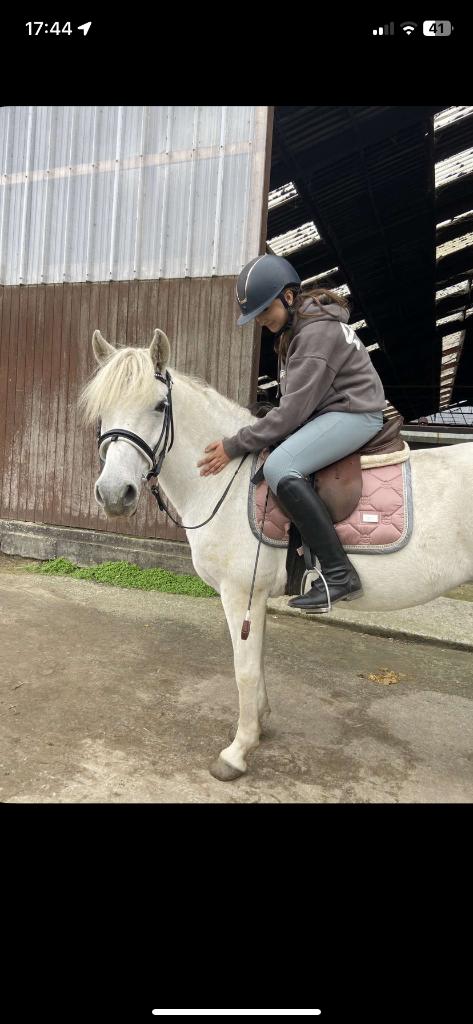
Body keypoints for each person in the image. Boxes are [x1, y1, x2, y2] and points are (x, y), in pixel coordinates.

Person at [197, 253, 386, 612]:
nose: (261, 319)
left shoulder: (315, 332)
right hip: (334, 410)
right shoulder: (299, 328)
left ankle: (338, 573)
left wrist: (234, 444)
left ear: (287, 296)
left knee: (280, 466)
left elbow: (292, 413)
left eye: (264, 309)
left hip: (355, 413)